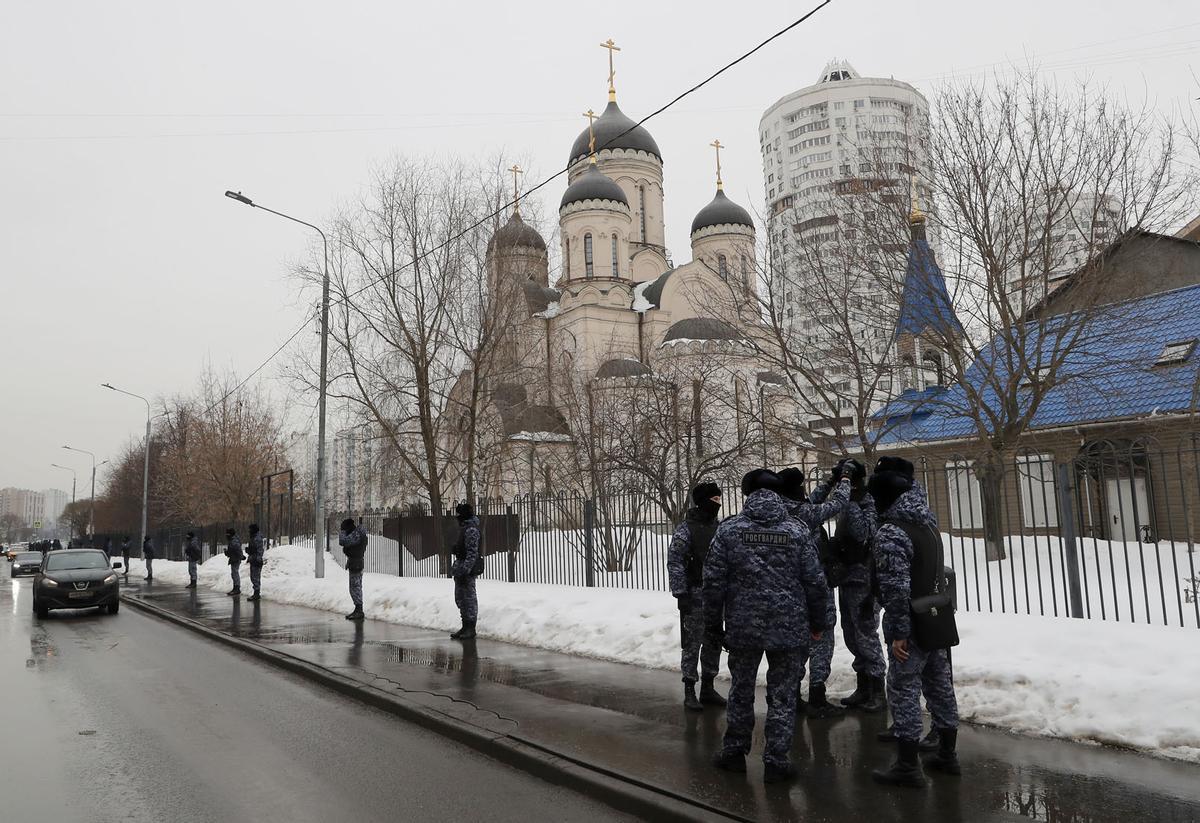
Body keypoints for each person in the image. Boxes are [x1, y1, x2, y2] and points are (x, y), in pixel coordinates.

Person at [704, 469, 833, 784]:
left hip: (743, 626)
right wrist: (820, 622)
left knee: (741, 689)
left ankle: (734, 753)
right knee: (784, 695)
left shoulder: (729, 530)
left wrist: (712, 624)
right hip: (790, 629)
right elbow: (816, 582)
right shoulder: (797, 530)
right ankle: (776, 761)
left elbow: (713, 581)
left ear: (747, 493)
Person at [869, 456, 961, 787]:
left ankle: (908, 766)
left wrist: (898, 634)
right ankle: (948, 755)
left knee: (904, 689)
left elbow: (895, 590)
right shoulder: (928, 526)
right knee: (939, 686)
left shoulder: (892, 532)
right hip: (936, 619)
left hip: (911, 624)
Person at [778, 465, 851, 719]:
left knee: (796, 643)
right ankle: (817, 696)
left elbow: (813, 500)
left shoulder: (781, 510)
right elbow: (838, 504)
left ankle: (794, 697)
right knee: (822, 638)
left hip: (790, 589)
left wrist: (829, 481)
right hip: (815, 585)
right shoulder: (804, 512)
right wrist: (844, 480)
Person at [825, 459, 887, 714]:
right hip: (847, 577)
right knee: (850, 634)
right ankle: (863, 686)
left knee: (866, 634)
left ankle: (877, 691)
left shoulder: (867, 502)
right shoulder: (849, 501)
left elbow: (863, 534)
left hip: (864, 580)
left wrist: (849, 503)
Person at [666, 481, 726, 711]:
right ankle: (690, 688)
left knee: (713, 642)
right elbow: (675, 562)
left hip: (716, 595)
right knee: (692, 644)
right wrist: (681, 593)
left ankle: (708, 687)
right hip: (695, 594)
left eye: (719, 500)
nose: (717, 505)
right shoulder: (686, 529)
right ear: (702, 502)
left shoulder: (719, 528)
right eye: (714, 500)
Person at [450, 503, 482, 640]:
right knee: (461, 599)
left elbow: (472, 554)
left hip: (466, 570)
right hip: (460, 568)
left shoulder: (471, 530)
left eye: (459, 515)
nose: (457, 518)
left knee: (469, 599)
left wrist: (465, 571)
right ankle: (465, 626)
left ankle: (470, 628)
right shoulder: (465, 528)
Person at [339, 517, 367, 620]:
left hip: (356, 563)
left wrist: (342, 532)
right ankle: (358, 610)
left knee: (355, 588)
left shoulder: (357, 534)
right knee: (355, 587)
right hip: (356, 562)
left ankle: (359, 611)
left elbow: (343, 541)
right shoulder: (359, 533)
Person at [245, 523, 265, 602]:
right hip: (253, 559)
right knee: (253, 577)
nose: (249, 531)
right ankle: (256, 592)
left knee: (255, 577)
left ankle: (256, 593)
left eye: (250, 529)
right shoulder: (253, 537)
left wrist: (258, 559)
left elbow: (260, 550)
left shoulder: (257, 538)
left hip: (256, 560)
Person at [223, 528, 244, 596]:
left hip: (235, 559)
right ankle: (235, 587)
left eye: (227, 534)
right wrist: (228, 552)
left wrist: (241, 556)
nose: (226, 536)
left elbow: (237, 550)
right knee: (234, 573)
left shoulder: (234, 541)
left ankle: (237, 588)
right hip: (234, 558)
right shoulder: (232, 540)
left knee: (235, 573)